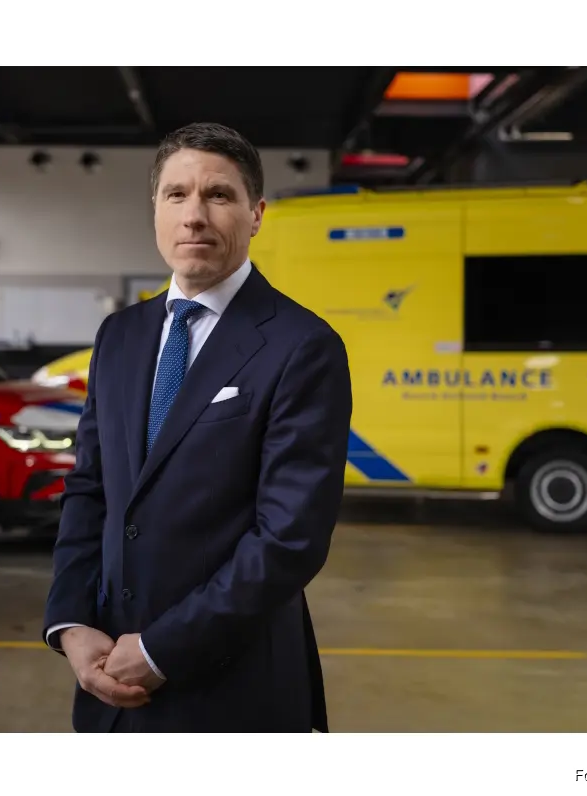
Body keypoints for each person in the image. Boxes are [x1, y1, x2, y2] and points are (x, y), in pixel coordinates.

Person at [41, 121, 353, 733]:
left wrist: (161, 649)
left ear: (256, 214)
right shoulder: (119, 336)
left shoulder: (302, 346)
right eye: (176, 195)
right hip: (108, 677)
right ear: (155, 209)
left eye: (219, 195)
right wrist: (71, 622)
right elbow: (90, 489)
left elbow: (289, 539)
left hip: (234, 686)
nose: (194, 216)